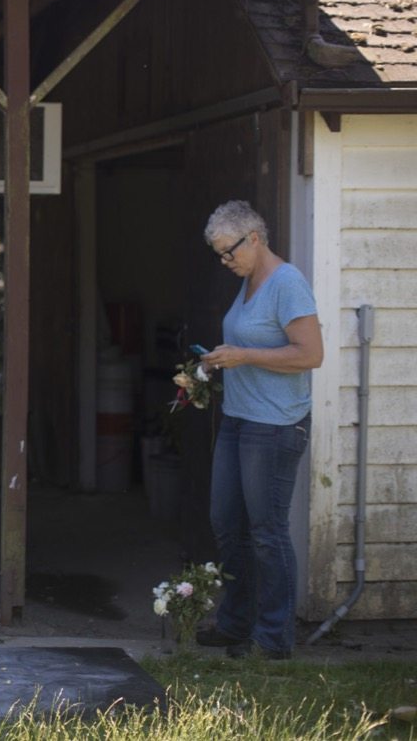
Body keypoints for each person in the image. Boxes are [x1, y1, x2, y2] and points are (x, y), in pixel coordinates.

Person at [195, 200, 323, 659]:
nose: (225, 261)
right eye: (220, 255)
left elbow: (310, 355)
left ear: (254, 238)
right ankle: (235, 623)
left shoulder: (287, 283)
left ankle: (273, 640)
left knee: (267, 531)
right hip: (239, 418)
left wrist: (244, 356)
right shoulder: (249, 282)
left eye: (229, 251)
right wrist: (216, 363)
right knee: (227, 523)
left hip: (275, 426)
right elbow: (250, 341)